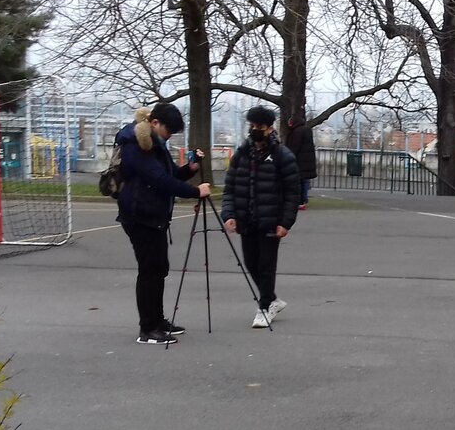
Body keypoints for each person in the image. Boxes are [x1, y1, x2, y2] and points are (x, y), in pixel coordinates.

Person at [116, 104, 210, 345]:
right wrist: (194, 191)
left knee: (159, 269)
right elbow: (157, 179)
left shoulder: (155, 143)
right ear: (155, 122)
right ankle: (147, 328)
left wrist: (190, 169)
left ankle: (157, 321)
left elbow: (168, 176)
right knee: (149, 271)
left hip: (154, 216)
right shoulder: (136, 144)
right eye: (169, 130)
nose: (170, 136)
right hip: (139, 216)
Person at [222, 106, 301, 329]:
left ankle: (265, 306)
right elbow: (231, 187)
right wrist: (228, 214)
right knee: (250, 262)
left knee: (266, 264)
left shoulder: (282, 156)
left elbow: (292, 192)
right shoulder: (242, 154)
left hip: (270, 219)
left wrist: (285, 222)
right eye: (252, 126)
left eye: (260, 127)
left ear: (270, 128)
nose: (255, 130)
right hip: (246, 218)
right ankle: (272, 298)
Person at [286, 114, 316, 210]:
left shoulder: (297, 132)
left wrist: (288, 156)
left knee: (298, 181)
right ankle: (303, 200)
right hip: (307, 161)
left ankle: (299, 201)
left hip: (299, 161)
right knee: (305, 181)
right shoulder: (307, 130)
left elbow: (295, 147)